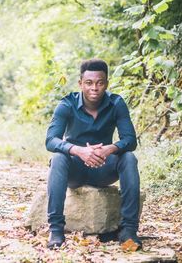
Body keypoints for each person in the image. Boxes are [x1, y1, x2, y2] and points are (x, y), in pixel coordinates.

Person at [45, 59, 141, 249]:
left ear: (106, 83)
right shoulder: (67, 104)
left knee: (129, 157)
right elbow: (51, 140)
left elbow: (130, 140)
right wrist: (78, 150)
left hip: (104, 168)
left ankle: (129, 230)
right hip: (76, 170)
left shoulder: (116, 103)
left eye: (100, 82)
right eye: (89, 83)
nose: (94, 88)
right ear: (80, 83)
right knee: (57, 157)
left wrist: (109, 149)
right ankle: (56, 230)